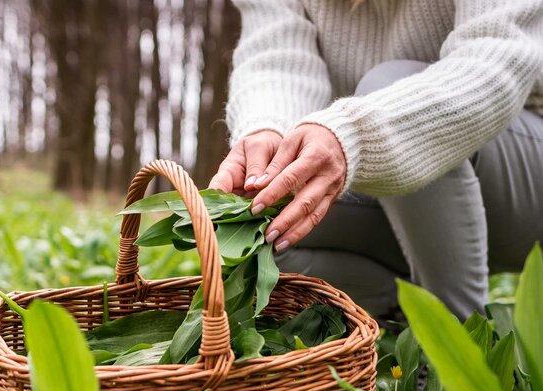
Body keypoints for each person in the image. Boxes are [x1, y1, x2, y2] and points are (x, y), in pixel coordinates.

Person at [209, 0, 543, 320]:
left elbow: (498, 58)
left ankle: (461, 345)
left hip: (520, 183)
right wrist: (269, 132)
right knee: (263, 222)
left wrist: (356, 133)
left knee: (387, 84)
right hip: (397, 201)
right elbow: (275, 58)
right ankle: (407, 322)